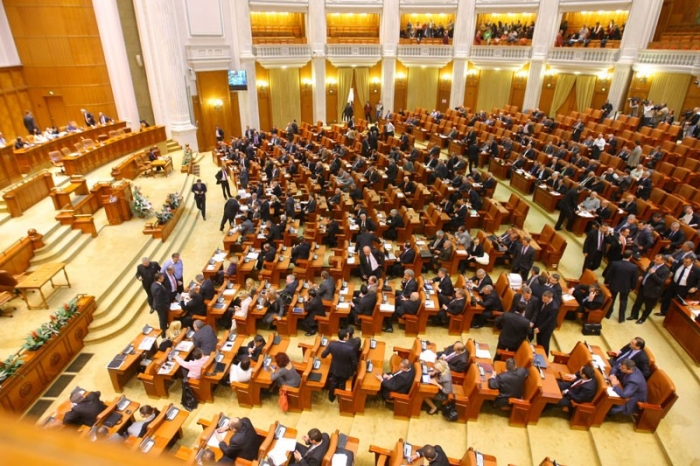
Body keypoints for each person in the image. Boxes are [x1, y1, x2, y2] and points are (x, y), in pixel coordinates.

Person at [628, 254, 670, 324]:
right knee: (638, 303)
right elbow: (647, 271)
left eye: (657, 260)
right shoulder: (652, 263)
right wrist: (643, 276)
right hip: (643, 286)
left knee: (648, 307)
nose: (655, 261)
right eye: (655, 259)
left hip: (652, 291)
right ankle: (634, 315)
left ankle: (642, 319)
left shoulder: (665, 270)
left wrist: (653, 274)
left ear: (663, 261)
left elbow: (661, 282)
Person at [322, 328, 358, 402]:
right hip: (345, 371)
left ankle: (331, 398)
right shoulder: (350, 349)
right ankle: (340, 399)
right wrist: (353, 371)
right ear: (344, 338)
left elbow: (323, 355)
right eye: (347, 336)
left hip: (335, 369)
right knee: (342, 384)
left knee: (333, 383)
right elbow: (354, 362)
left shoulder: (332, 344)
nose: (348, 337)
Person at [605, 250, 639, 322]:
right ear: (630, 256)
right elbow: (634, 279)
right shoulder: (634, 267)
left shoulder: (614, 263)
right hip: (625, 286)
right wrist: (633, 287)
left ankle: (607, 314)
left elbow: (609, 274)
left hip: (614, 284)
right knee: (623, 301)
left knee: (612, 300)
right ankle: (621, 318)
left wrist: (606, 282)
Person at [531, 291, 558, 355]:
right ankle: (539, 353)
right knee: (539, 340)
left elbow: (548, 321)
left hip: (547, 327)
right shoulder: (543, 300)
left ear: (550, 298)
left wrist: (540, 328)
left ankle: (545, 356)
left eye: (545, 299)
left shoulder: (554, 308)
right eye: (542, 298)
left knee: (544, 343)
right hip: (540, 323)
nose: (543, 300)